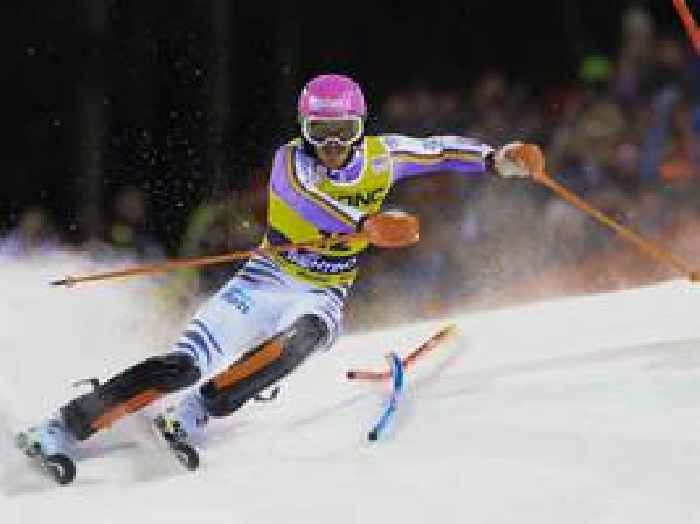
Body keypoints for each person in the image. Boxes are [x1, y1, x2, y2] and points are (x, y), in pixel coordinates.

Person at [19, 74, 544, 480]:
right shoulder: (290, 162)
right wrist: (366, 224)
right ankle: (62, 427)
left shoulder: (383, 157)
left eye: (344, 132)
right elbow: (309, 202)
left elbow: (439, 150)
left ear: (361, 127)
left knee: (303, 338)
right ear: (304, 130)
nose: (333, 144)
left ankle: (196, 412)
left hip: (322, 292)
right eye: (321, 133)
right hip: (263, 281)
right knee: (182, 365)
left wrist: (497, 159)